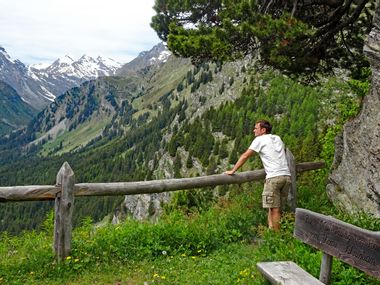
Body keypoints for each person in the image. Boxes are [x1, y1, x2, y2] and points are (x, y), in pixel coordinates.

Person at [225, 120, 291, 231]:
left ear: (263, 130)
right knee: (276, 208)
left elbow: (246, 155)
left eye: (256, 128)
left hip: (274, 178)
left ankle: (276, 238)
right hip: (286, 176)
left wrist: (233, 170)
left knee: (274, 209)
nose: (254, 130)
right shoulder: (277, 138)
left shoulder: (259, 139)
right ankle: (272, 231)